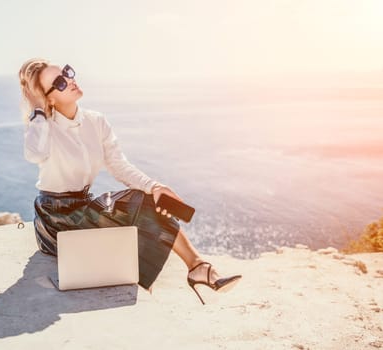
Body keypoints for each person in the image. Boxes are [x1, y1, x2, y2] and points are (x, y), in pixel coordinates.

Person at [18, 58, 241, 304]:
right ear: (49, 98)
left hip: (83, 207)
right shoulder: (43, 126)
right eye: (59, 82)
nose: (70, 80)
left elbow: (118, 165)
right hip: (55, 217)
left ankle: (197, 266)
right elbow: (34, 153)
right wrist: (38, 110)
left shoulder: (96, 121)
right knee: (137, 206)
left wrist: (154, 186)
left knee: (149, 200)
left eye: (67, 73)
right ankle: (195, 270)